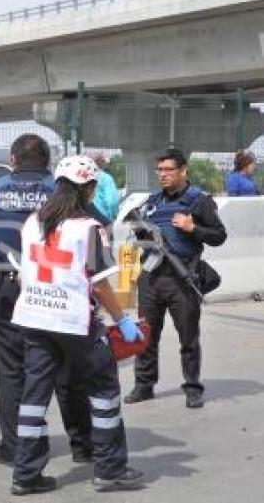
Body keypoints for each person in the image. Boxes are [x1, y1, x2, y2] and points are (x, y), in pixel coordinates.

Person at [9, 155, 144, 495]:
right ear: (90, 188)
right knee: (104, 392)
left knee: (33, 396)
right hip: (74, 322)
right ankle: (110, 469)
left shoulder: (32, 222)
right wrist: (123, 320)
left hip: (34, 318)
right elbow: (99, 284)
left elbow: (25, 272)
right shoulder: (89, 228)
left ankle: (25, 474)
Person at [0, 134, 92, 467]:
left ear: (13, 158)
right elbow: (93, 236)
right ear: (47, 161)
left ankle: (14, 447)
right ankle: (82, 445)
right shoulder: (62, 192)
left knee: (12, 372)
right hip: (56, 289)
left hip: (3, 287)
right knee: (66, 369)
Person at [125, 148, 227, 409]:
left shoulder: (198, 201)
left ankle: (192, 388)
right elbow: (138, 232)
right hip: (150, 277)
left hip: (182, 277)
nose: (163, 175)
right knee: (146, 335)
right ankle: (144, 385)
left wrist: (192, 228)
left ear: (183, 171)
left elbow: (219, 235)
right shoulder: (152, 201)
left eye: (169, 170)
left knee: (188, 337)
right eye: (159, 170)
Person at [90, 153, 120, 222]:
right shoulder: (106, 178)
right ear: (103, 164)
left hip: (87, 218)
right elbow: (112, 201)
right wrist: (113, 216)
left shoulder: (86, 178)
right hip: (103, 219)